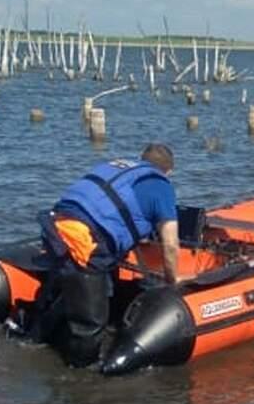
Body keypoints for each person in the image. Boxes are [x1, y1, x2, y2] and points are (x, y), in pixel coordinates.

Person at [29, 143, 181, 367]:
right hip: (86, 243)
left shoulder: (117, 167)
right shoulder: (161, 186)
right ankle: (81, 376)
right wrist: (172, 280)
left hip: (55, 227)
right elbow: (170, 243)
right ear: (168, 171)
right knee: (91, 323)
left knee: (72, 291)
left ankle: (34, 339)